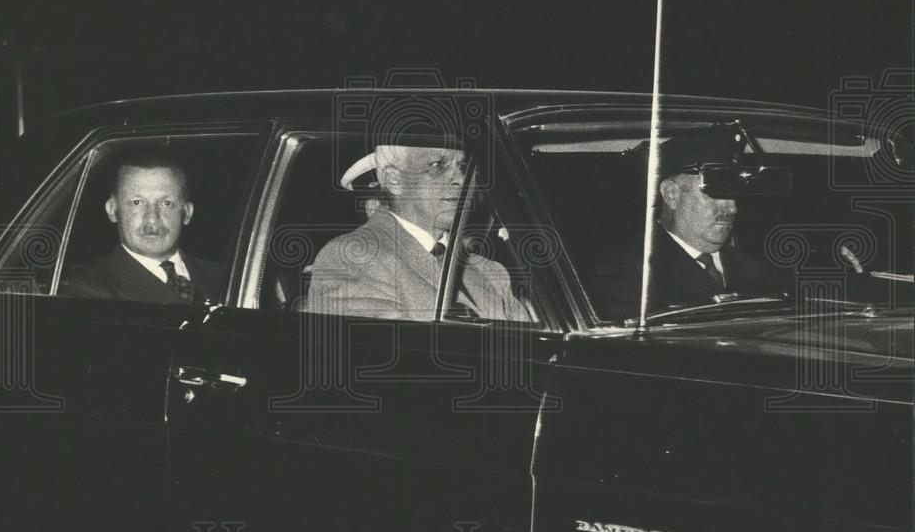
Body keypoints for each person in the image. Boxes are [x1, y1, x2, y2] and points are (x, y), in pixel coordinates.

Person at [303, 138, 530, 322]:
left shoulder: (489, 270)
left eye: (461, 167)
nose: (460, 179)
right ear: (394, 181)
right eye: (437, 166)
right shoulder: (351, 257)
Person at [585, 127, 774, 320]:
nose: (732, 208)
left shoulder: (754, 270)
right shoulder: (625, 272)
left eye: (733, 195)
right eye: (715, 194)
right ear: (671, 195)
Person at [60, 149, 224, 304]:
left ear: (187, 213)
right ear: (112, 210)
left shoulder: (225, 278)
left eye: (166, 203)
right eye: (137, 203)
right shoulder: (86, 293)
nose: (152, 218)